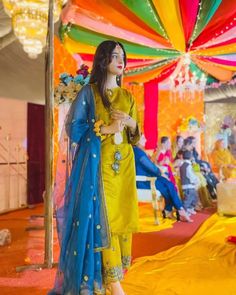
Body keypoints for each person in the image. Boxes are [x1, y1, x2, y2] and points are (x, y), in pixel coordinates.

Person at [49, 40, 140, 295]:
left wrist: (131, 123)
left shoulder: (128, 97)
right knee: (104, 220)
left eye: (122, 55)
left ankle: (113, 280)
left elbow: (136, 138)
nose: (119, 60)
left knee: (120, 219)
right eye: (113, 56)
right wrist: (105, 130)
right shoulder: (89, 93)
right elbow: (74, 130)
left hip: (124, 167)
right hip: (98, 168)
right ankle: (113, 284)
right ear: (103, 60)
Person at [134, 136, 192, 222]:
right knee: (168, 185)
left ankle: (172, 210)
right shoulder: (137, 152)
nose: (146, 140)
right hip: (144, 181)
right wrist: (160, 173)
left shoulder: (138, 151)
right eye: (143, 138)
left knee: (169, 185)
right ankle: (179, 210)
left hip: (149, 177)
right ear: (137, 139)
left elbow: (150, 166)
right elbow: (150, 166)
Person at [179, 150, 200, 215]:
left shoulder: (183, 165)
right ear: (190, 157)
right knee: (188, 199)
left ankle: (190, 208)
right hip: (188, 185)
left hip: (188, 185)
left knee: (194, 197)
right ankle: (184, 211)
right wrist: (195, 180)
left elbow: (196, 170)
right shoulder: (188, 166)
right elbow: (190, 175)